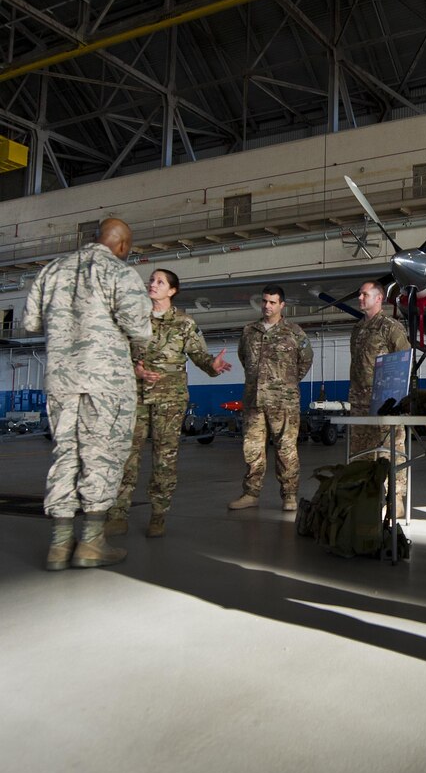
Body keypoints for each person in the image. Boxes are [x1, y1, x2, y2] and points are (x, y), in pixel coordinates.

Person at [23, 218, 151, 570]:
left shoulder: (52, 270)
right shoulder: (120, 272)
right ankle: (92, 542)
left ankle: (60, 545)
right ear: (123, 245)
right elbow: (140, 330)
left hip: (61, 379)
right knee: (102, 454)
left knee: (65, 453)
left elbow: (31, 322)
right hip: (105, 381)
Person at [106, 269, 231, 538]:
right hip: (135, 396)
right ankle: (117, 513)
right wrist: (135, 370)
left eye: (159, 282)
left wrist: (213, 364)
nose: (152, 284)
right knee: (126, 456)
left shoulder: (184, 323)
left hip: (170, 399)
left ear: (172, 290)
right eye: (151, 280)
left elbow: (199, 355)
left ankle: (158, 515)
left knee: (165, 458)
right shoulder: (134, 319)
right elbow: (117, 355)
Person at [229, 284, 313, 512]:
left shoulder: (294, 332)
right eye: (265, 301)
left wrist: (286, 384)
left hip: (284, 403)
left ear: (282, 305)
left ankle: (289, 495)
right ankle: (250, 493)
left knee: (286, 449)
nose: (267, 306)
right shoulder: (249, 331)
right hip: (254, 400)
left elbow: (305, 360)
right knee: (252, 449)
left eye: (272, 302)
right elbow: (244, 359)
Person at [348, 281, 411, 516]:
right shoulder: (357, 329)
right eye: (360, 294)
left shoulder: (390, 327)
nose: (361, 298)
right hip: (359, 399)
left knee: (390, 448)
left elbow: (404, 360)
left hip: (386, 401)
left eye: (365, 294)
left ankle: (395, 498)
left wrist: (397, 397)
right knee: (360, 451)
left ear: (379, 298)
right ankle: (363, 495)